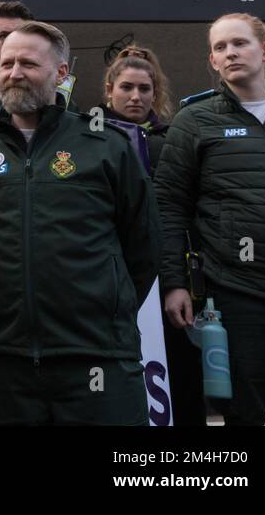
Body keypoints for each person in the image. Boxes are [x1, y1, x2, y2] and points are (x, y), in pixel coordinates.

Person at [0, 22, 159, 425]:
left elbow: (144, 246)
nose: (13, 72)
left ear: (61, 73)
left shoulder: (106, 147)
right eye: (7, 63)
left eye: (28, 63)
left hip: (98, 357)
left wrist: (104, 305)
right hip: (6, 361)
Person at [156, 13, 265, 425]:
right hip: (241, 299)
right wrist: (174, 284)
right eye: (220, 48)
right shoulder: (195, 122)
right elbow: (168, 207)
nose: (230, 52)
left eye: (240, 43)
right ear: (213, 62)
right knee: (251, 417)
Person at [98, 43, 203, 425]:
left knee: (182, 375)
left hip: (172, 276)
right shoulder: (87, 138)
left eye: (145, 88)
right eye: (126, 87)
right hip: (110, 275)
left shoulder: (176, 138)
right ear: (109, 89)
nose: (135, 96)